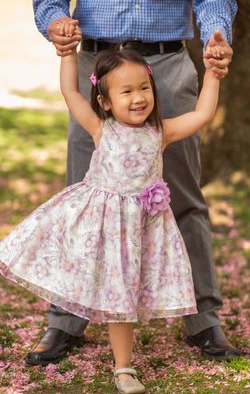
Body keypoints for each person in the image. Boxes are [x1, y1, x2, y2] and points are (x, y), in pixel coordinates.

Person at [0, 27, 222, 390]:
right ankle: (68, 327)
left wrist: (213, 75)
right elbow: (71, 93)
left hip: (136, 235)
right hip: (97, 226)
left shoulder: (160, 132)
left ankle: (123, 368)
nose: (138, 98)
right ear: (105, 101)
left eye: (144, 88)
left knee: (122, 300)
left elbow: (202, 115)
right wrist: (68, 53)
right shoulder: (101, 128)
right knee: (86, 280)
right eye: (127, 91)